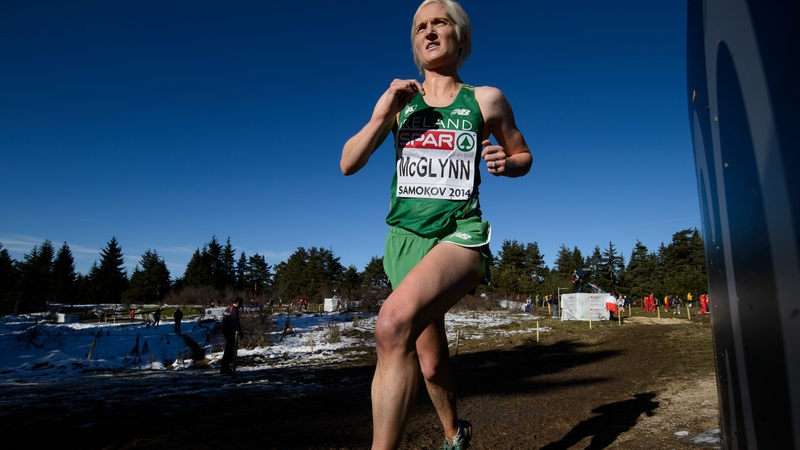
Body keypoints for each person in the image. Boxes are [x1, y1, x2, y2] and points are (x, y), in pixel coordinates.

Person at [340, 1, 531, 448]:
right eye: (420, 27)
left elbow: (523, 153)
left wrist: (509, 162)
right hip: (404, 241)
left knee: (390, 325)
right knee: (428, 361)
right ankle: (454, 435)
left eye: (439, 23)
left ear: (459, 37)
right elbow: (349, 162)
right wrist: (383, 111)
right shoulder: (400, 101)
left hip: (459, 235)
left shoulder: (485, 99)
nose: (428, 32)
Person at [219, 298, 242, 375]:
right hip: (230, 332)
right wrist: (240, 332)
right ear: (237, 303)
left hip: (225, 331)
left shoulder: (228, 309)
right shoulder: (234, 310)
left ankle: (224, 367)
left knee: (228, 350)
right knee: (230, 350)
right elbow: (235, 322)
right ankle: (225, 367)